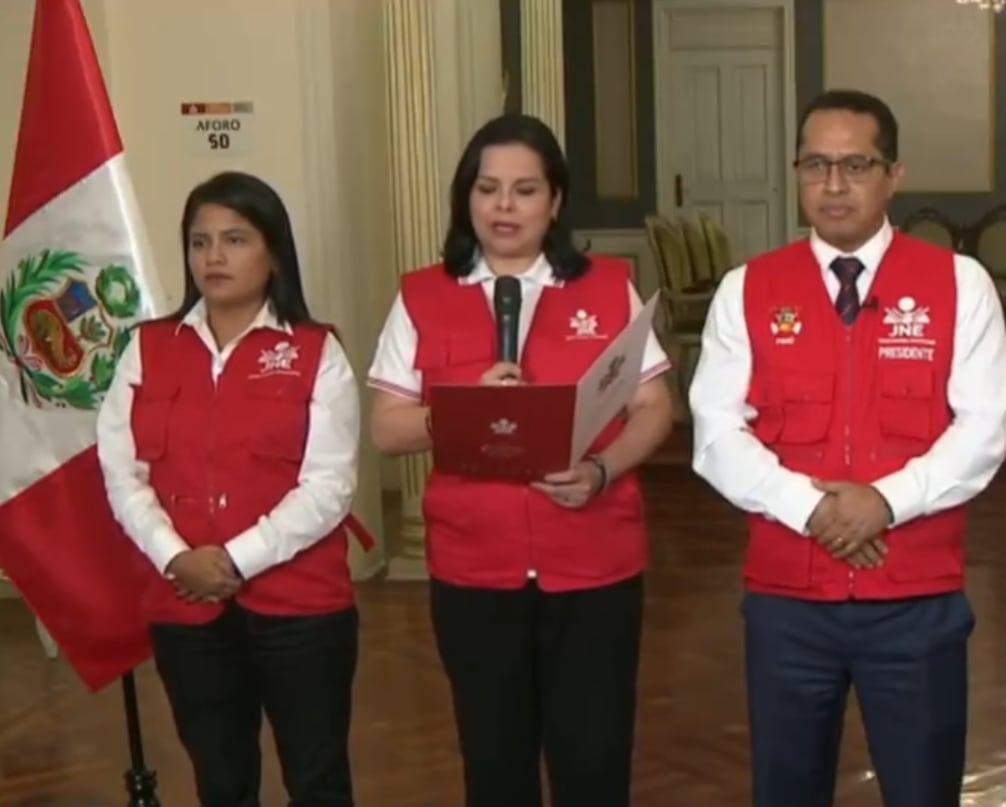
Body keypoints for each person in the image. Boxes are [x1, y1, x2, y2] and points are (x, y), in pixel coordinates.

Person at [688, 88, 1006, 807]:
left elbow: (984, 428)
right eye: (816, 165)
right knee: (786, 789)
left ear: (894, 173)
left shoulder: (959, 285)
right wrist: (814, 511)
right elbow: (715, 432)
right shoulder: (748, 289)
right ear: (796, 171)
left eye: (856, 165)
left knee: (923, 790)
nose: (834, 186)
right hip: (787, 602)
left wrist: (885, 503)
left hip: (916, 599)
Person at [367, 112, 674, 807]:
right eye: (488, 188)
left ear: (556, 201)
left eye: (525, 190)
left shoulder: (606, 285)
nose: (504, 207)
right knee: (495, 760)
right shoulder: (422, 295)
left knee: (593, 759)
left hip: (594, 561)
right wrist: (454, 410)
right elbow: (386, 429)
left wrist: (601, 470)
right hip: (476, 569)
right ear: (465, 198)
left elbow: (654, 408)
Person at [96, 170, 369, 807]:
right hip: (183, 602)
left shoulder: (315, 351)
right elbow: (121, 469)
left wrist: (235, 561)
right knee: (220, 779)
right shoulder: (147, 349)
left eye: (235, 239)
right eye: (200, 242)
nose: (214, 257)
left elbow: (328, 485)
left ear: (273, 254)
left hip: (302, 609)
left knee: (318, 777)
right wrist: (174, 557)